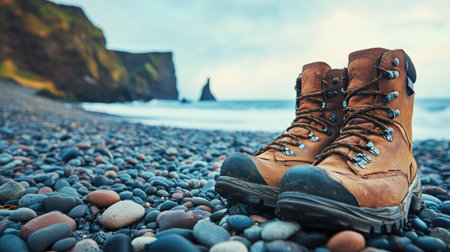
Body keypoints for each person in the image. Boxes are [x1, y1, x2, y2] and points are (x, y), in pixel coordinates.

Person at [215, 47, 421, 234]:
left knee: (362, 128)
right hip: (343, 146)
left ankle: (404, 167)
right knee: (307, 176)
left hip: (391, 155)